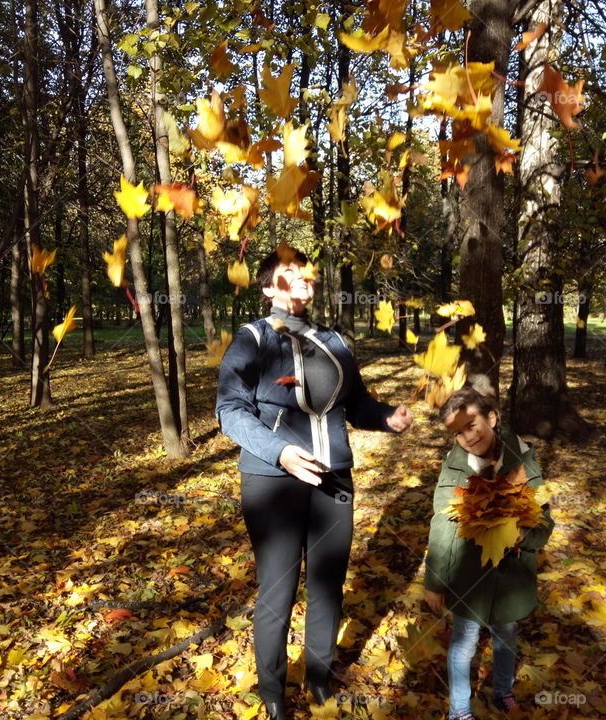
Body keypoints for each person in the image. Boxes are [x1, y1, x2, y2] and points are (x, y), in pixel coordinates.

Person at [215, 247, 413, 719]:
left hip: (333, 478)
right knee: (278, 589)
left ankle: (320, 680)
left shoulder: (335, 341)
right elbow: (230, 410)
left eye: (306, 273)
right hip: (272, 481)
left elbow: (357, 402)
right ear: (268, 289)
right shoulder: (253, 340)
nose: (303, 280)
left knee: (327, 583)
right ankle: (273, 694)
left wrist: (387, 418)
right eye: (289, 275)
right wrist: (280, 451)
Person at [423, 388, 553, 719]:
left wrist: (525, 536)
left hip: (510, 576)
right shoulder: (455, 468)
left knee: (506, 635)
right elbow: (442, 523)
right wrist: (435, 581)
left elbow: (544, 518)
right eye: (457, 432)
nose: (467, 437)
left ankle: (502, 690)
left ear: (492, 417)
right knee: (465, 640)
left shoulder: (522, 460)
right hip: (469, 575)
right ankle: (460, 710)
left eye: (472, 425)